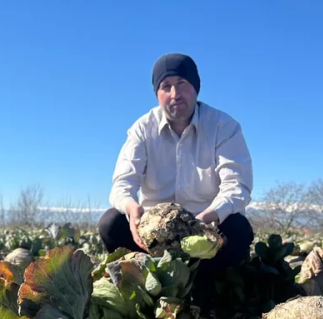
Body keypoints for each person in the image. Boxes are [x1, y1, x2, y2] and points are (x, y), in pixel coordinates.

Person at [99, 53, 254, 272]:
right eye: (166, 86)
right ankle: (149, 276)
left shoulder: (224, 127)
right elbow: (122, 184)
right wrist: (132, 209)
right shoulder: (142, 129)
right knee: (111, 223)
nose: (175, 94)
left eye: (182, 83)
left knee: (238, 228)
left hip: (206, 230)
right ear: (157, 94)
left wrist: (207, 217)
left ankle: (205, 281)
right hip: (154, 235)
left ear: (196, 88)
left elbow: (237, 186)